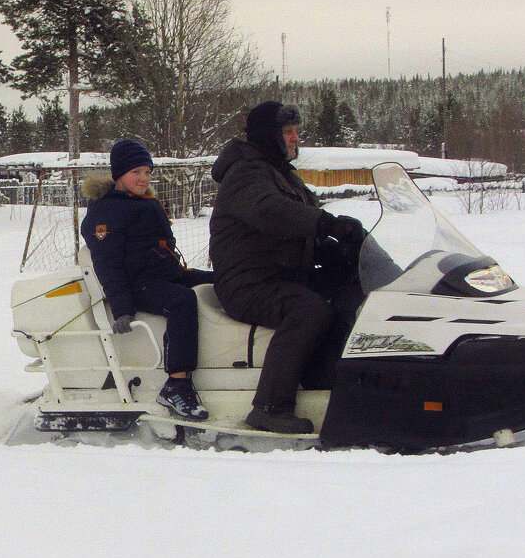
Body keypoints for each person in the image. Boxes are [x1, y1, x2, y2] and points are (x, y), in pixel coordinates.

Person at [209, 101, 367, 434]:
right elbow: (272, 211)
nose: (296, 138)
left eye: (296, 131)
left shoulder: (281, 173)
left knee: (348, 288)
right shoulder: (246, 174)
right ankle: (270, 407)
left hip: (282, 275)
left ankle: (325, 376)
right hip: (247, 283)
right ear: (270, 136)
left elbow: (300, 230)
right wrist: (327, 223)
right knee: (309, 310)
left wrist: (343, 249)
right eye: (288, 131)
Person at [80, 139, 214, 421]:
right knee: (182, 300)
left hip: (164, 275)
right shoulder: (106, 211)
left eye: (147, 172)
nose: (143, 178)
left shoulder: (143, 202)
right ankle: (177, 384)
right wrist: (122, 308)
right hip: (137, 285)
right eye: (136, 172)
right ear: (119, 175)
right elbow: (108, 263)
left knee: (222, 279)